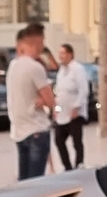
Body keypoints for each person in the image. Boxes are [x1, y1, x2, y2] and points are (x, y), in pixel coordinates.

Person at [6, 22, 54, 179]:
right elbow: (50, 101)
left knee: (24, 182)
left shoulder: (12, 66)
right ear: (38, 41)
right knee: (36, 182)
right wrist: (46, 99)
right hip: (36, 129)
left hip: (19, 131)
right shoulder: (35, 67)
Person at [53, 42, 89, 170]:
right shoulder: (61, 71)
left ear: (70, 54)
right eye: (59, 53)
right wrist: (56, 109)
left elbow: (83, 89)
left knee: (76, 140)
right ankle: (67, 166)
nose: (60, 56)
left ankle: (79, 163)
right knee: (58, 139)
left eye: (63, 53)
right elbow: (58, 93)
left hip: (74, 113)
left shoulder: (78, 68)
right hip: (62, 112)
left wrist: (76, 107)